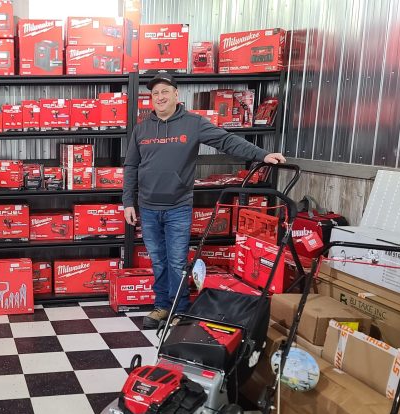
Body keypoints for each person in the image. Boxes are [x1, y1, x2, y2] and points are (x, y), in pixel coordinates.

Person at [122, 72, 286, 329]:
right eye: (155, 93)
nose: (160, 97)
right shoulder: (141, 129)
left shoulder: (193, 123)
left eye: (165, 92)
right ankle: (162, 306)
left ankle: (180, 309)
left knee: (176, 261)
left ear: (176, 95)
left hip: (178, 206)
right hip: (148, 206)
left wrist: (262, 155)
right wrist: (128, 202)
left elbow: (226, 141)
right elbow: (131, 166)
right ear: (150, 99)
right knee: (158, 260)